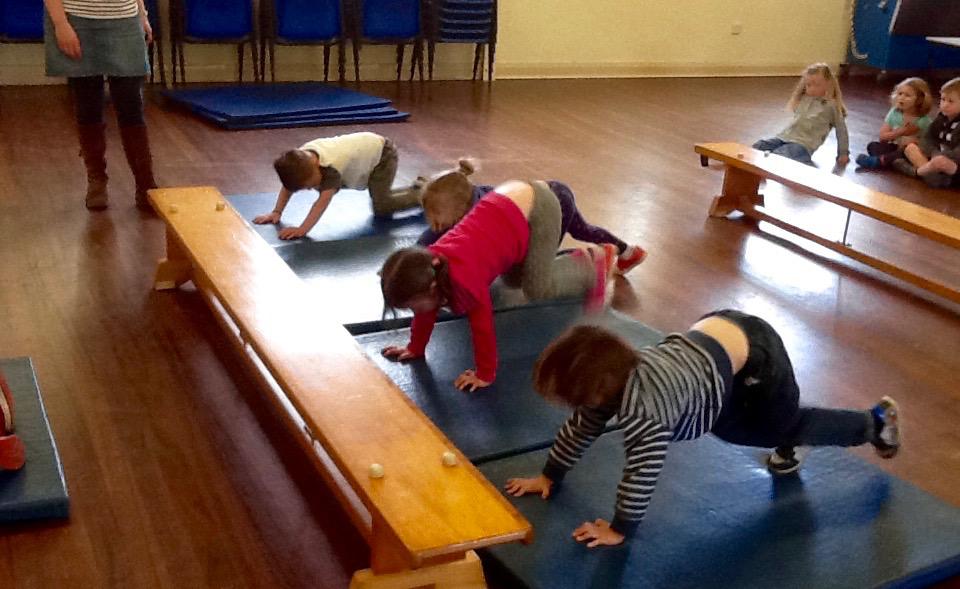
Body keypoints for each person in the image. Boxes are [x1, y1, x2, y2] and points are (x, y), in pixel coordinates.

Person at [505, 310, 901, 547]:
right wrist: (549, 474)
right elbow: (580, 427)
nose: (576, 409)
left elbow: (642, 470)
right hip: (715, 336)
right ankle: (790, 437)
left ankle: (875, 423)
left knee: (782, 426)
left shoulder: (646, 412)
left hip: (756, 353)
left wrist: (620, 528)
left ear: (597, 391)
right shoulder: (613, 377)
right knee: (729, 427)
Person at [379, 180, 619, 392]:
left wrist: (485, 374)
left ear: (432, 287)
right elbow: (425, 312)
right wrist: (415, 348)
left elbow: (482, 326)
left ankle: (591, 264)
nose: (414, 311)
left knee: (537, 288)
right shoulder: (429, 269)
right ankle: (568, 264)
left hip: (538, 208)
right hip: (508, 205)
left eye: (412, 306)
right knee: (513, 281)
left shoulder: (464, 281)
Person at [416, 159, 647, 274]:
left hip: (552, 205)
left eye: (435, 214)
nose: (431, 221)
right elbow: (433, 237)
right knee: (582, 230)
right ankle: (628, 251)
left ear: (458, 207)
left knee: (537, 266)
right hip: (551, 192)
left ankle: (592, 260)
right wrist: (415, 256)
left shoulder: (479, 213)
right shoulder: (462, 202)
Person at [44, 0, 158, 210]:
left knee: (131, 103)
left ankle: (146, 184)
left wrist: (142, 14)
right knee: (88, 104)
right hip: (76, 19)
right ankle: (96, 180)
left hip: (125, 18)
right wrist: (60, 24)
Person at [253, 132, 422, 240]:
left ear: (317, 166)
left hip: (382, 156)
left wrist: (302, 229)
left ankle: (423, 193)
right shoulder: (301, 159)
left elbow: (321, 203)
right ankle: (417, 187)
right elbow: (288, 186)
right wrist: (276, 212)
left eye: (311, 185)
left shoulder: (330, 169)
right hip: (367, 149)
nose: (311, 189)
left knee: (382, 206)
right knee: (381, 196)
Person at [752, 63, 849, 166]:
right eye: (808, 85)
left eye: (817, 85)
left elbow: (841, 130)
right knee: (758, 146)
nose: (812, 89)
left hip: (802, 144)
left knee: (781, 155)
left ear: (829, 84)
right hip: (784, 137)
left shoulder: (831, 105)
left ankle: (802, 163)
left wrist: (843, 153)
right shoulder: (804, 99)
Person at [855, 77, 933, 172]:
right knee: (872, 146)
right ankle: (894, 163)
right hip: (895, 148)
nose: (901, 98)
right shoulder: (894, 112)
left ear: (920, 99)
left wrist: (913, 141)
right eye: (900, 94)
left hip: (910, 153)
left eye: (907, 95)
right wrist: (901, 132)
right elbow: (882, 137)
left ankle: (880, 161)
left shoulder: (923, 121)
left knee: (905, 152)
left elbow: (928, 146)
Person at [902, 77, 960, 189]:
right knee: (910, 148)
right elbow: (927, 139)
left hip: (952, 162)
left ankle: (918, 172)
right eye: (943, 99)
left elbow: (958, 154)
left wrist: (940, 157)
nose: (945, 105)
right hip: (934, 158)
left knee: (942, 163)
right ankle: (931, 175)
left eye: (950, 101)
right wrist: (933, 153)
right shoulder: (941, 118)